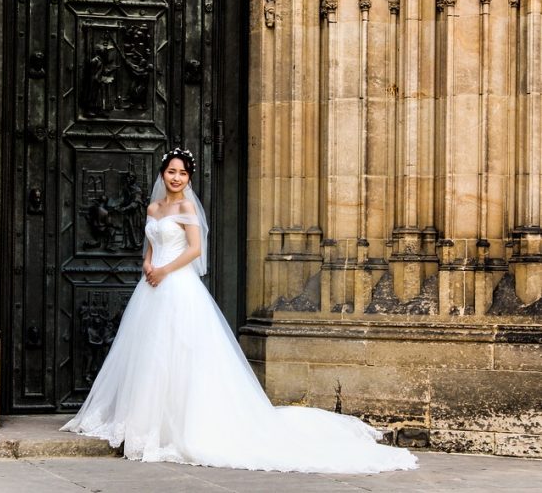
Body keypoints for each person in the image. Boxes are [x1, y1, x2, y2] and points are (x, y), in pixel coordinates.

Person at [61, 148, 418, 473]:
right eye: (171, 171)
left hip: (178, 284)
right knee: (150, 353)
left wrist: (165, 271)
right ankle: (145, 422)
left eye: (182, 173)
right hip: (152, 285)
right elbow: (151, 244)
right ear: (162, 173)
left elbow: (194, 250)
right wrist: (149, 266)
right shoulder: (154, 209)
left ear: (188, 178)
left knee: (181, 350)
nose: (175, 178)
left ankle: (183, 424)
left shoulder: (186, 208)